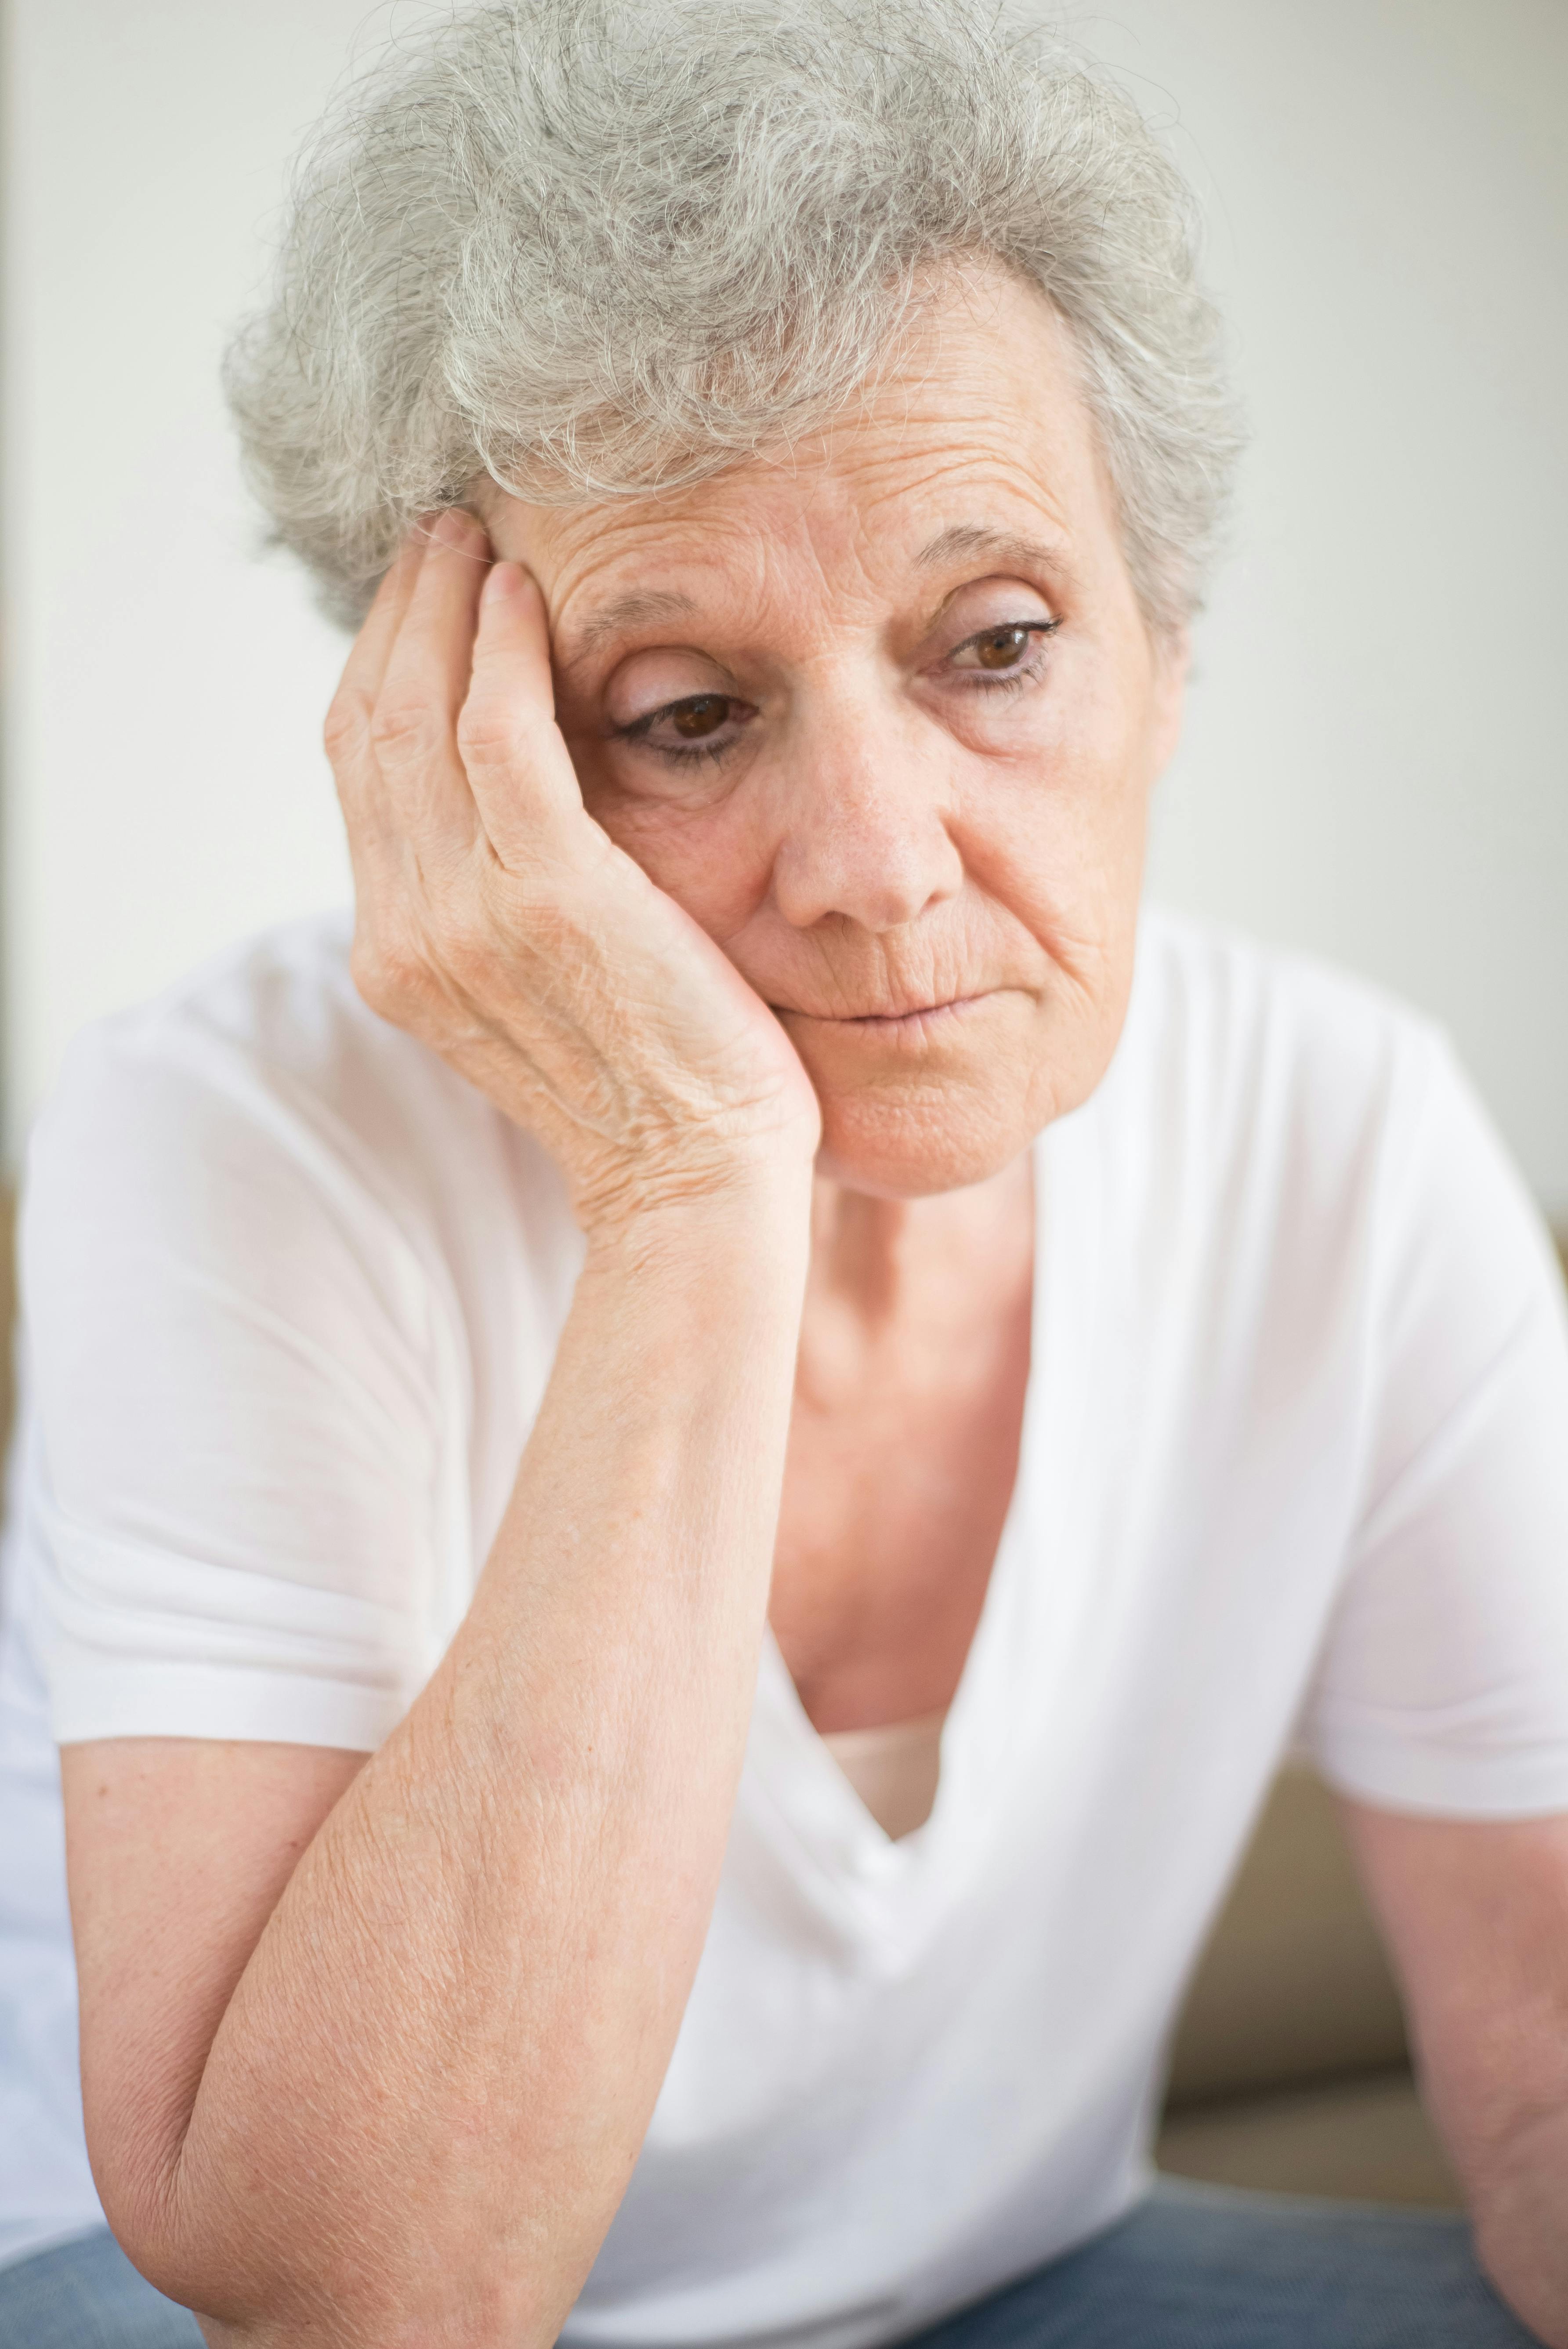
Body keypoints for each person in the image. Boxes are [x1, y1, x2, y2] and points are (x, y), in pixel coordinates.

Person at [1, 3, 1565, 2344]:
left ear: (1164, 651)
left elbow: (1541, 2064)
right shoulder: (223, 1144)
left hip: (1018, 2288)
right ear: (463, 758)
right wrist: (691, 1184)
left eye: (995, 641)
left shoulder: (1336, 1132)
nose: (873, 862)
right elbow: (353, 2296)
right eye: (685, 715)